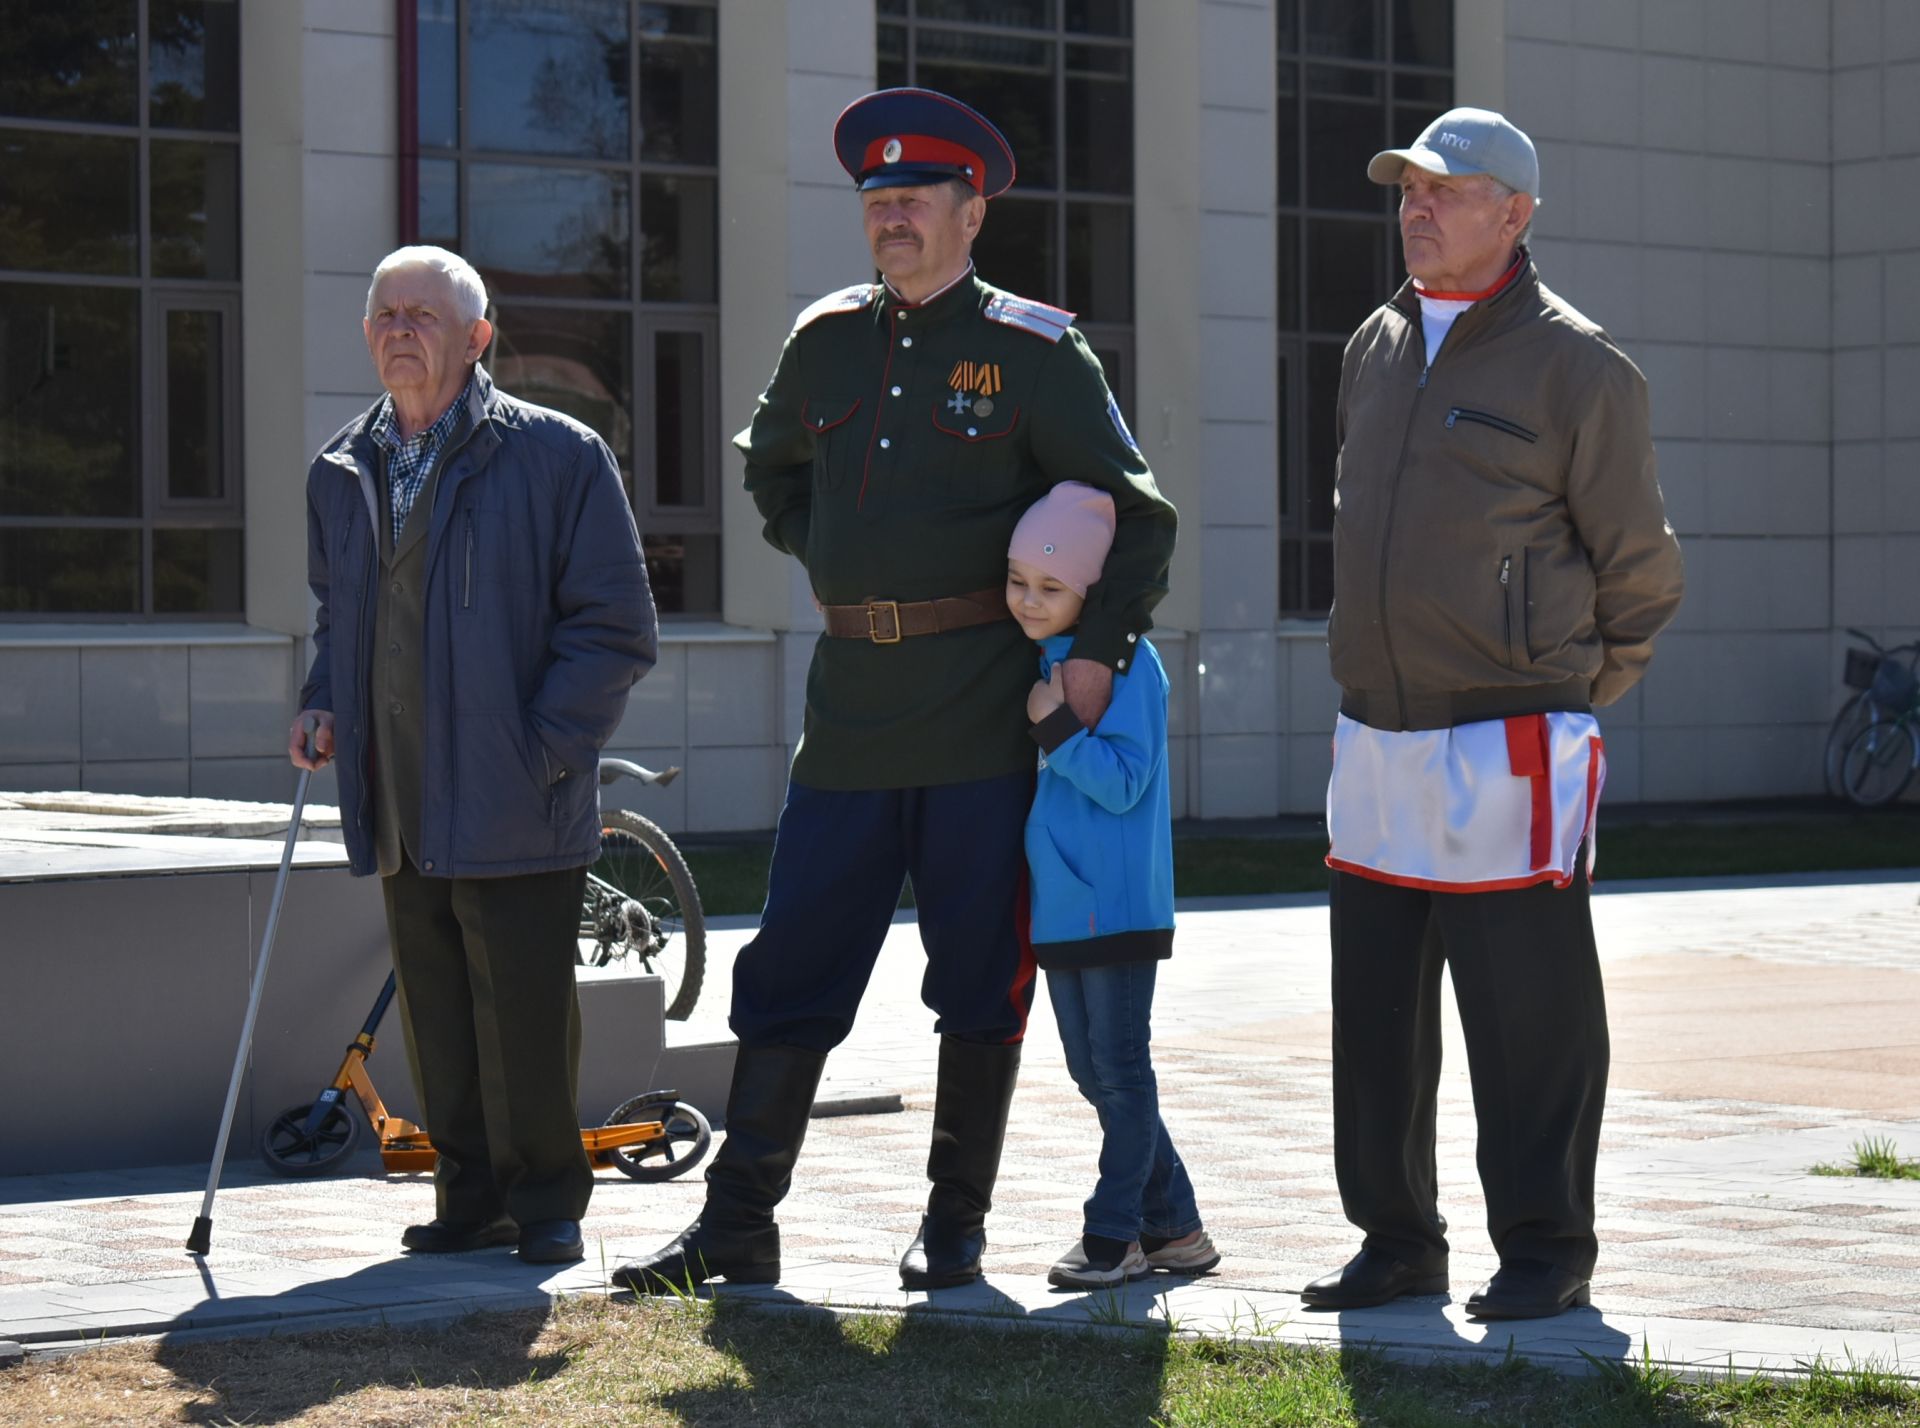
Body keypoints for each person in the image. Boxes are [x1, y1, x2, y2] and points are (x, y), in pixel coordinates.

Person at [616, 89, 1177, 1296]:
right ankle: (735, 1227)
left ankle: (955, 1229)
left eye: (919, 199)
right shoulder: (825, 338)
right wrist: (833, 558)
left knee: (980, 974)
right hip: (850, 715)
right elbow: (769, 469)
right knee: (790, 966)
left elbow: (1137, 514)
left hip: (982, 712)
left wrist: (1094, 657)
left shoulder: (1035, 351)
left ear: (973, 213)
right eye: (879, 200)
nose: (895, 218)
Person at [1302, 109, 1684, 1320]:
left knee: (1530, 1018)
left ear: (1515, 214)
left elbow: (1641, 571)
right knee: (1374, 1014)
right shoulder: (1374, 340)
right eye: (1408, 188)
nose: (1419, 207)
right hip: (1374, 731)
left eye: (1448, 191)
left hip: (1512, 736)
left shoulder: (1581, 367)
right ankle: (1396, 1241)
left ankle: (1545, 1251)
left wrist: (1567, 689)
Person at [291, 245, 657, 1265]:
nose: (401, 329)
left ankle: (547, 1202)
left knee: (524, 1010)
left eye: (425, 314)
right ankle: (470, 1195)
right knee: (438, 1010)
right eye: (386, 313)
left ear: (478, 337)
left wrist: (545, 749)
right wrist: (324, 703)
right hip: (397, 787)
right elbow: (341, 617)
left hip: (517, 791)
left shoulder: (558, 455)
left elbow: (616, 626)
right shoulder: (339, 469)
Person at [1007, 483, 1218, 1291]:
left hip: (1117, 904)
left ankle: (1113, 1234)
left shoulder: (1130, 665)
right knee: (1093, 1074)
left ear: (1092, 592)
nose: (1029, 599)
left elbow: (1127, 783)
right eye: (1019, 579)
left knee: (1121, 1072)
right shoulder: (1042, 660)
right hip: (1065, 902)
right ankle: (1179, 1230)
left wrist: (1052, 727)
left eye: (1050, 586)